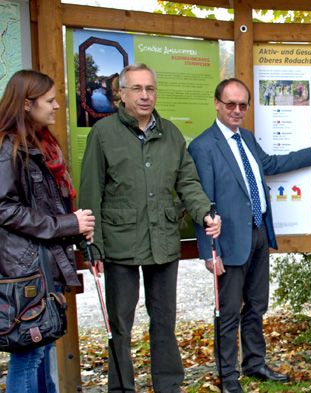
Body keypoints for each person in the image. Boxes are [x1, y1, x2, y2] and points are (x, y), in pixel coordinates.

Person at [79, 63, 221, 393]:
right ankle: (121, 389)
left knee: (164, 322)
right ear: (122, 94)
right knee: (120, 325)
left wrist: (205, 213)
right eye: (137, 89)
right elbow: (91, 192)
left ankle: (169, 385)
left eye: (150, 89)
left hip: (163, 242)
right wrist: (93, 246)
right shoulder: (103, 134)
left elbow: (188, 181)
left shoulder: (170, 133)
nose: (145, 96)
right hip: (119, 244)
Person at [187, 78, 311, 393]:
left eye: (242, 105)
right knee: (227, 314)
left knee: (255, 306)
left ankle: (254, 363)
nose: (237, 110)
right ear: (217, 104)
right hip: (228, 243)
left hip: (257, 233)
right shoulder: (203, 146)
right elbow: (200, 203)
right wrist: (209, 252)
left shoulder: (247, 139)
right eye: (230, 104)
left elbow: (271, 164)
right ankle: (228, 378)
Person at [0, 70, 95, 393]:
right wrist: (68, 224)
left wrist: (75, 229)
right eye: (50, 101)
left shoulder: (40, 145)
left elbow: (41, 206)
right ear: (27, 104)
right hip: (24, 270)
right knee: (28, 357)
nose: (56, 107)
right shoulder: (8, 149)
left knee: (39, 352)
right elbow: (4, 209)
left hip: (40, 265)